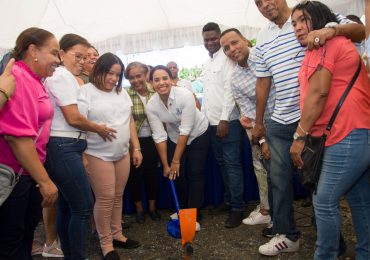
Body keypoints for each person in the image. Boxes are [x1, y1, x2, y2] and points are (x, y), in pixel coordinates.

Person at [252, 0, 365, 256]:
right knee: (278, 181)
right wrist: (260, 123)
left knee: (318, 185)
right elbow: (262, 80)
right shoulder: (262, 36)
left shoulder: (312, 15)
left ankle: (332, 243)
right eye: (258, 3)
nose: (264, 5)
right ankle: (287, 236)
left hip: (318, 119)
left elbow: (360, 32)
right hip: (281, 120)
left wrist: (330, 30)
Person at [290, 2, 370, 259]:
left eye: (303, 20)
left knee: (323, 201)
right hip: (354, 132)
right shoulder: (322, 45)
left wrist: (299, 135)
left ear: (320, 19)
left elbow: (319, 92)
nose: (298, 27)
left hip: (347, 133)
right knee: (359, 201)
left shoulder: (326, 43)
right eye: (294, 24)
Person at [44, 33, 116, 259]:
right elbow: (73, 118)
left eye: (86, 57)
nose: (83, 61)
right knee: (83, 207)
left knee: (67, 206)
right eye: (78, 56)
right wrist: (99, 129)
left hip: (70, 145)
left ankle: (69, 254)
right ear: (61, 54)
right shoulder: (61, 76)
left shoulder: (71, 77)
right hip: (63, 144)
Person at [0, 27, 59, 259]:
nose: (57, 60)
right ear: (33, 50)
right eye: (53, 53)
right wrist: (45, 181)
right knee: (11, 244)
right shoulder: (20, 77)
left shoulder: (35, 80)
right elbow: (17, 136)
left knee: (23, 237)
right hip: (15, 174)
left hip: (27, 174)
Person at [80, 53, 142, 260]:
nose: (114, 79)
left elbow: (130, 121)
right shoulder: (85, 92)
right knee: (105, 199)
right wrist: (83, 156)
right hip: (98, 154)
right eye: (110, 73)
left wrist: (137, 148)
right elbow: (78, 124)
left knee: (118, 196)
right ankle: (105, 243)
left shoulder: (121, 92)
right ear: (98, 70)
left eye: (117, 75)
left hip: (122, 153)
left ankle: (117, 234)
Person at [220, 28, 274, 226]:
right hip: (260, 129)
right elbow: (248, 114)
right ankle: (266, 210)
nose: (232, 49)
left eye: (235, 43)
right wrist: (262, 140)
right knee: (260, 167)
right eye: (226, 48)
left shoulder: (266, 57)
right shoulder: (235, 79)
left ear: (246, 40)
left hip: (286, 123)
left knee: (289, 171)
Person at [146, 65, 209, 231]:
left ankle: (193, 214)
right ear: (151, 83)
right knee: (176, 174)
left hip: (198, 133)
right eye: (156, 80)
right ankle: (182, 211)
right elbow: (159, 136)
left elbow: (186, 129)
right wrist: (167, 164)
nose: (161, 83)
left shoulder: (185, 95)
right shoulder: (151, 105)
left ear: (171, 80)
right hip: (175, 135)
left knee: (195, 173)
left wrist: (175, 160)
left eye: (165, 78)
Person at [201, 22, 244, 228]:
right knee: (222, 164)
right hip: (211, 123)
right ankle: (229, 201)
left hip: (228, 122)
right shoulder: (207, 63)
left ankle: (237, 208)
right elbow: (208, 96)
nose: (209, 42)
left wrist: (224, 119)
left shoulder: (227, 60)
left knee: (232, 164)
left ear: (219, 37)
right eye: (206, 39)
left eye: (213, 38)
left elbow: (230, 91)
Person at [125, 62, 160, 224]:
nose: (135, 80)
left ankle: (152, 209)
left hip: (155, 140)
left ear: (146, 75)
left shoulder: (156, 91)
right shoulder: (125, 94)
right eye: (131, 77)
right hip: (134, 141)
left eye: (138, 76)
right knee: (135, 177)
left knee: (152, 175)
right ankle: (139, 210)